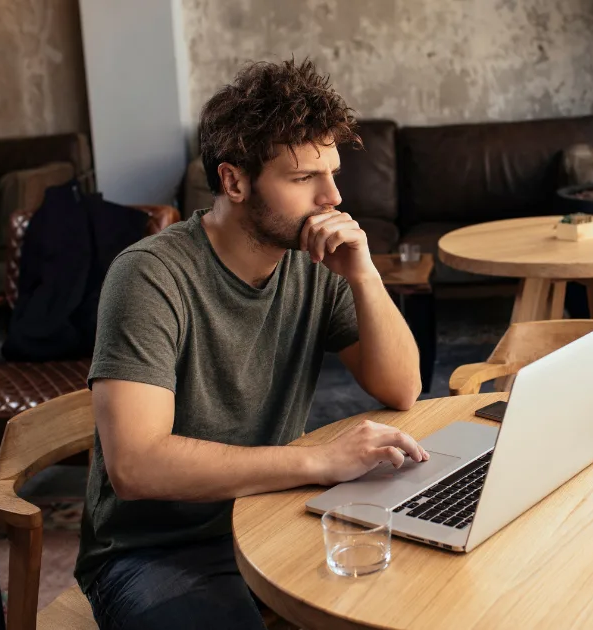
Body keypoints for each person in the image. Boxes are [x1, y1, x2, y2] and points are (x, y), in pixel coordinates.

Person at [76, 58, 428, 630]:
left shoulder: (314, 261)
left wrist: (365, 276)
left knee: (426, 597)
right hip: (157, 552)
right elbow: (135, 466)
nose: (333, 197)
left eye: (333, 173)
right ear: (234, 181)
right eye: (304, 178)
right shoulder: (149, 275)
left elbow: (402, 388)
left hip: (273, 512)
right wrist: (320, 460)